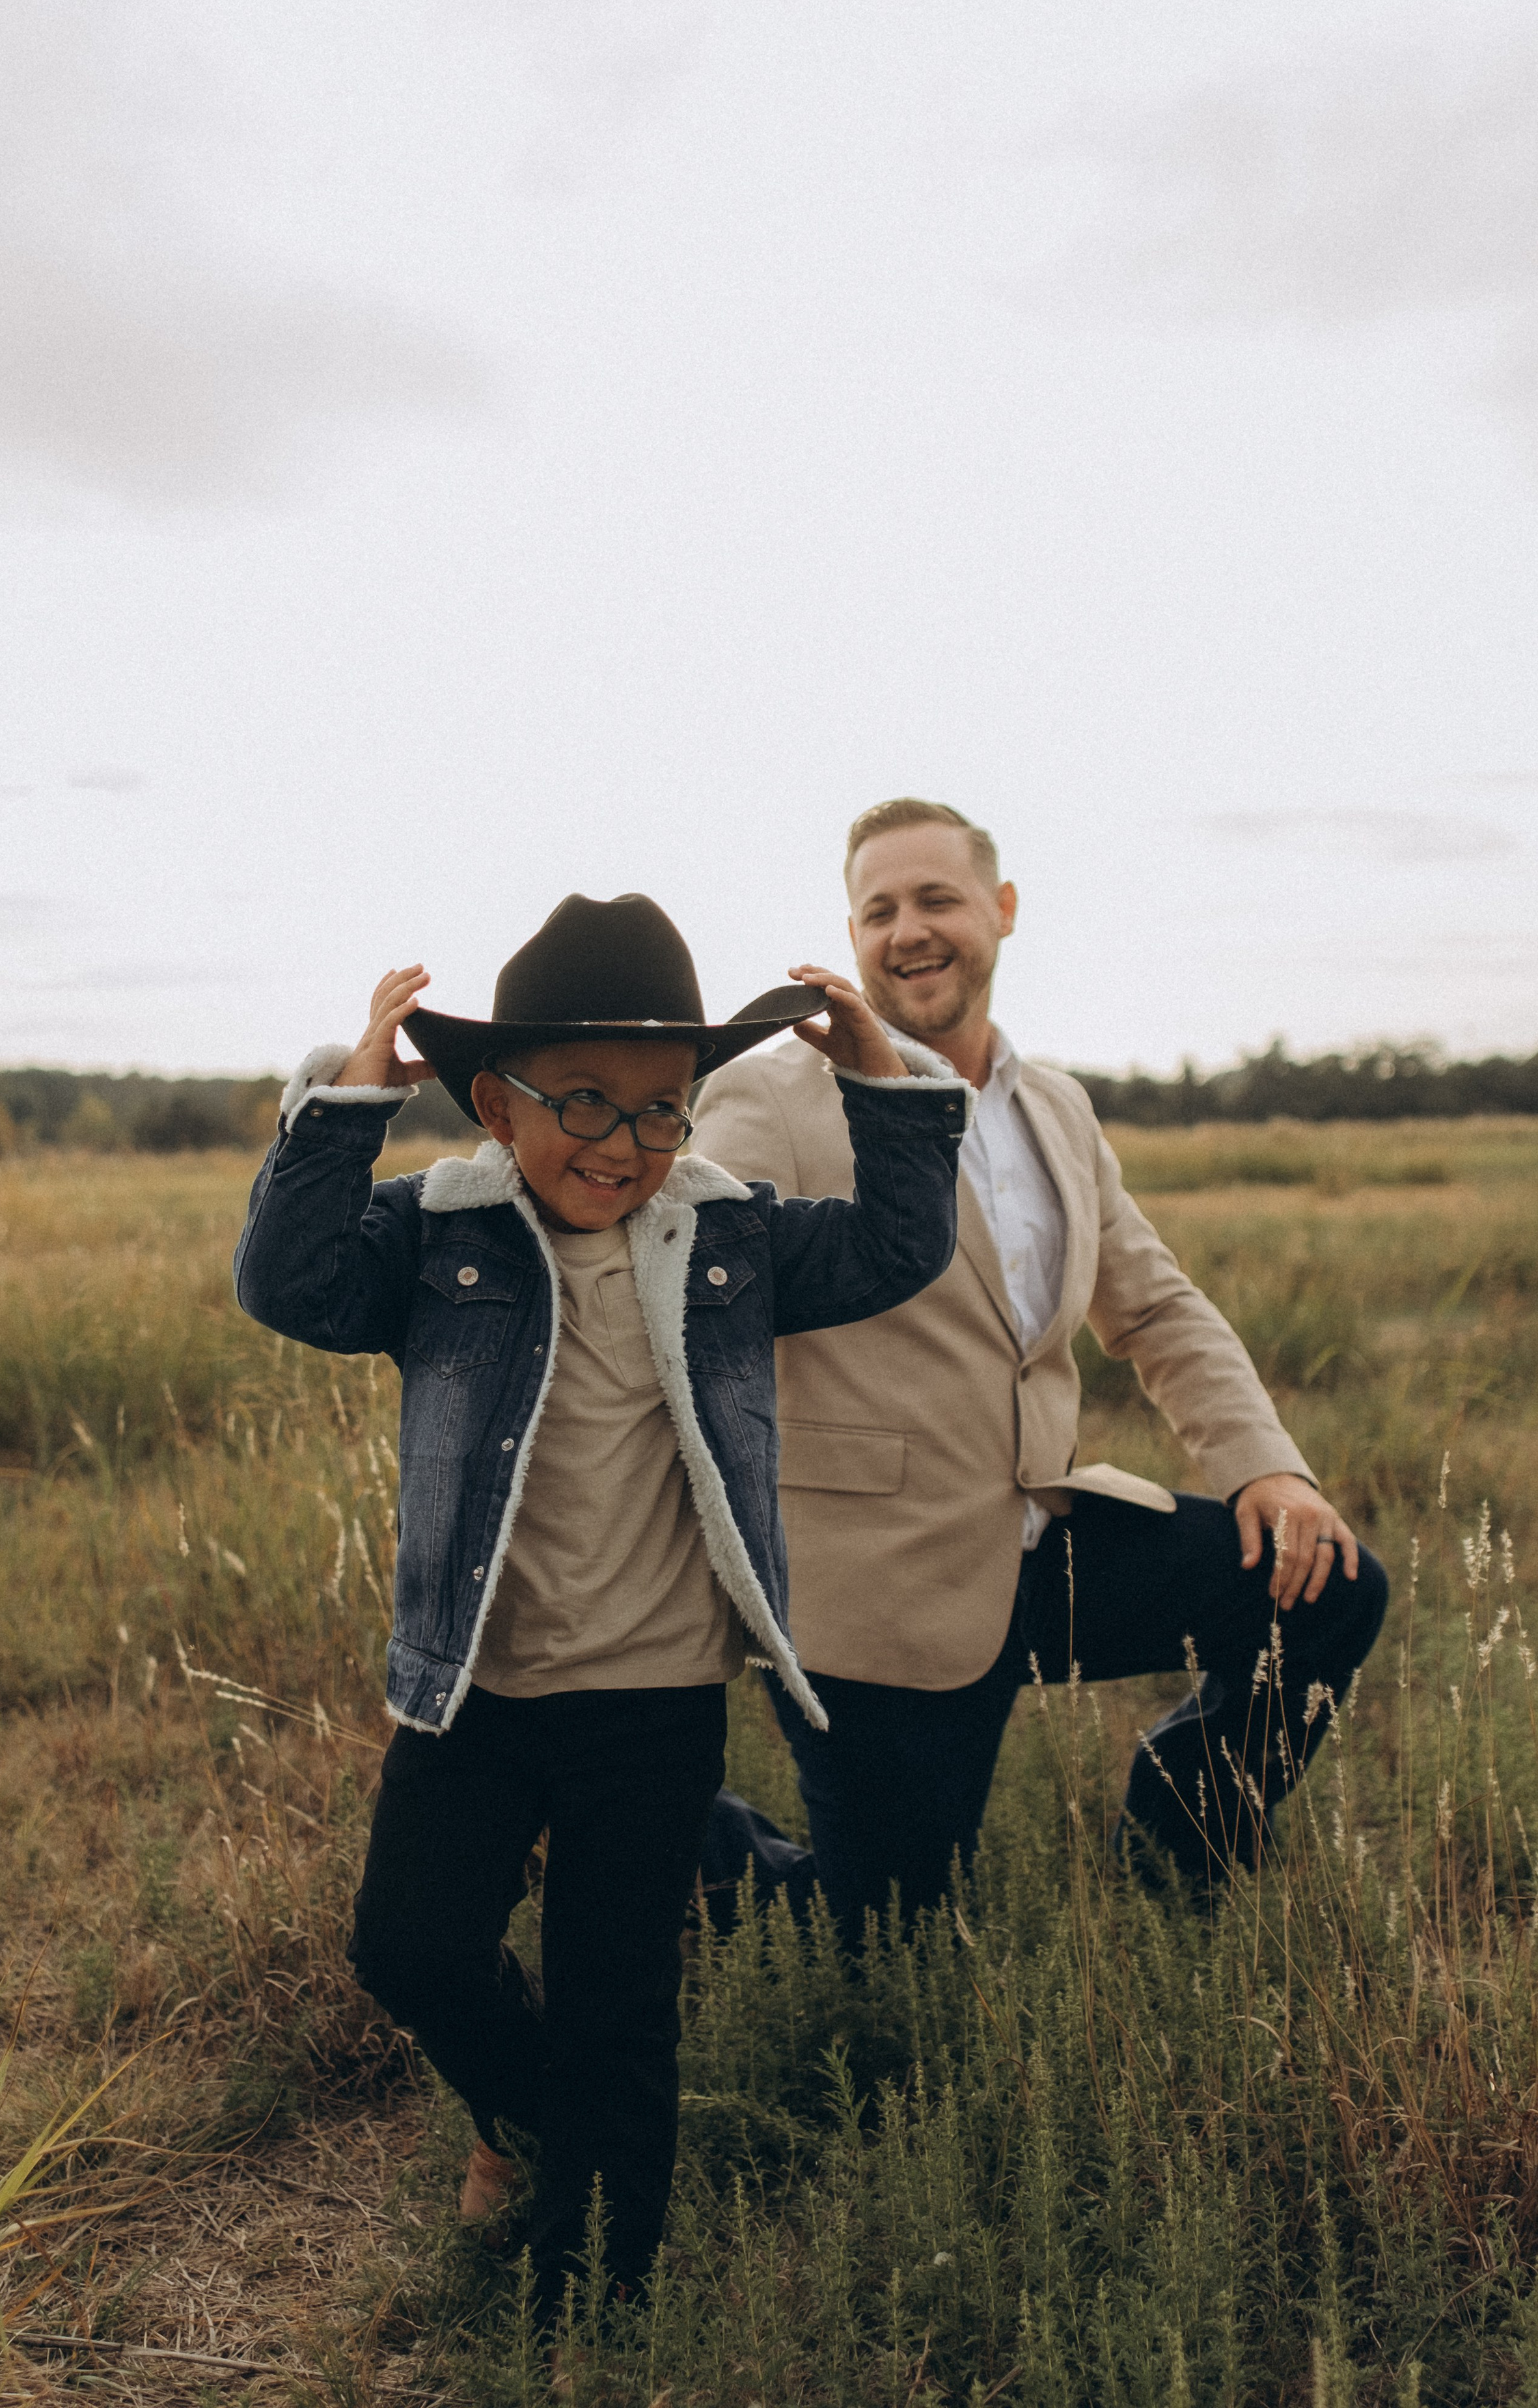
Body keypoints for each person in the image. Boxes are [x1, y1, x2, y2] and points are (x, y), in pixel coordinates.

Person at [232, 890, 966, 2320]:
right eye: (583, 1102)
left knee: (616, 1997)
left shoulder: (730, 1239)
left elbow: (893, 1251)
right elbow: (288, 1284)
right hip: (479, 1687)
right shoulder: (437, 1236)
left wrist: (880, 1081)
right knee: (411, 1943)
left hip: (652, 1696)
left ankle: (598, 2291)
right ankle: (525, 2120)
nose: (624, 1145)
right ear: (496, 1109)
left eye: (660, 1110)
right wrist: (341, 1110)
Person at [694, 800, 1388, 1937]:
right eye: (879, 911)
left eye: (936, 899)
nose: (908, 931)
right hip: (875, 1589)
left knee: (1330, 1589)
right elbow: (693, 1301)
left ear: (1001, 912)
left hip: (1043, 1541)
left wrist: (1272, 1469)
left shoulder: (1055, 1107)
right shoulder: (773, 1097)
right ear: (853, 936)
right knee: (884, 1941)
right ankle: (671, 1829)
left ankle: (1179, 1848)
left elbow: (1157, 1307)